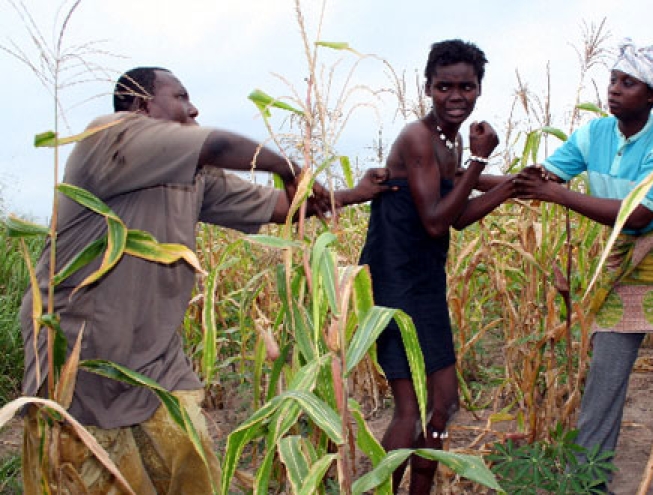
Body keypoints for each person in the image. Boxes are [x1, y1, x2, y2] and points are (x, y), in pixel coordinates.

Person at [19, 66, 391, 494]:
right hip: (81, 357)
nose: (193, 108)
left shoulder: (192, 175)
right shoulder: (109, 138)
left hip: (154, 358)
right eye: (180, 96)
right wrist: (287, 166)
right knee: (95, 477)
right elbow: (218, 144)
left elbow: (280, 206)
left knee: (192, 461)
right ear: (141, 105)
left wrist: (355, 194)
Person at [515, 39, 653, 494]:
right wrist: (466, 177)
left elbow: (640, 214)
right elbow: (541, 181)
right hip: (626, 266)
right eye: (613, 79)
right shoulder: (594, 134)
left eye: (628, 83)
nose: (614, 89)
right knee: (603, 379)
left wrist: (557, 194)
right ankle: (588, 483)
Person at [358, 39, 514, 494]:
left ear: (479, 89)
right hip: (393, 287)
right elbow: (434, 220)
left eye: (466, 86)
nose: (456, 96)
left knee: (442, 404)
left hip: (425, 282)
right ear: (427, 88)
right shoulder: (418, 137)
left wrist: (509, 186)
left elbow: (456, 213)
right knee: (411, 412)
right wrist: (481, 162)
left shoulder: (451, 141)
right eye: (445, 86)